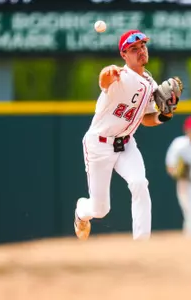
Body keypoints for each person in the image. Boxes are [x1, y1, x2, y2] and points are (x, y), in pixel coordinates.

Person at [74, 30, 180, 241]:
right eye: (134, 49)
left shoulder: (150, 83)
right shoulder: (119, 77)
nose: (141, 51)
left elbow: (146, 118)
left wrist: (165, 116)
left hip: (126, 144)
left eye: (142, 46)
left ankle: (141, 245)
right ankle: (80, 212)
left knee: (140, 183)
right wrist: (108, 72)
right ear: (124, 55)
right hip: (99, 145)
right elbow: (105, 79)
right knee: (100, 209)